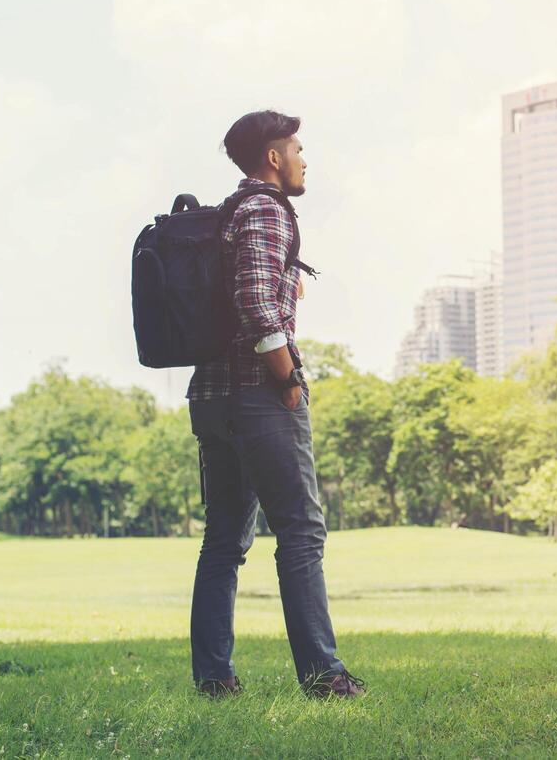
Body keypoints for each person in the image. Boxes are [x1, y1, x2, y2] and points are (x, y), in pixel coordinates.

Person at [185, 110, 363, 699]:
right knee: (302, 530)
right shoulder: (265, 209)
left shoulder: (232, 215)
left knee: (224, 541)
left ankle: (214, 680)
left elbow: (250, 287)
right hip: (258, 394)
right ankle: (323, 675)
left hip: (212, 397)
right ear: (272, 157)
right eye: (297, 149)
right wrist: (288, 377)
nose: (304, 159)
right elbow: (256, 300)